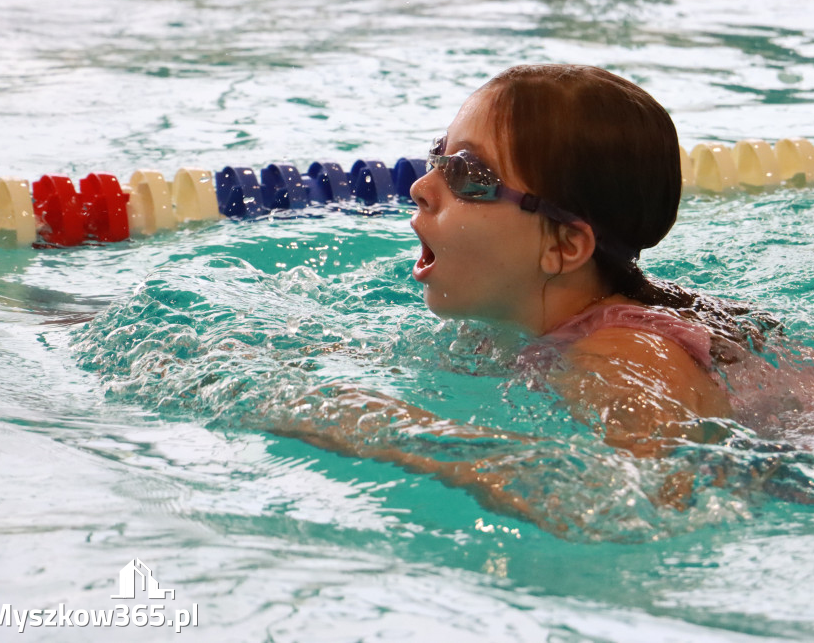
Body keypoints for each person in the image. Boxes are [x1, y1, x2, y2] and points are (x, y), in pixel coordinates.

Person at [272, 65, 780, 533]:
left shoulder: (626, 355)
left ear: (564, 246)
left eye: (468, 174)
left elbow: (644, 503)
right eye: (437, 156)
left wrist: (396, 433)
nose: (421, 187)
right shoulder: (522, 321)